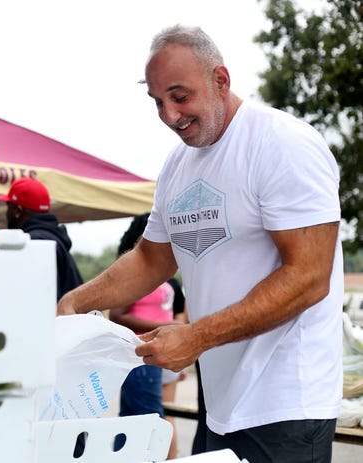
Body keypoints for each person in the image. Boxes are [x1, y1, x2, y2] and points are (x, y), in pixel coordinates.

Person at [57, 24, 343, 463]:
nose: (170, 115)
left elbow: (308, 278)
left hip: (286, 402)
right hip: (220, 401)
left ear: (221, 80)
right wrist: (76, 301)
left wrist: (197, 336)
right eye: (157, 101)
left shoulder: (282, 145)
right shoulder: (178, 164)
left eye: (179, 95)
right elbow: (152, 257)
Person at [109, 214, 185, 459]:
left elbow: (179, 310)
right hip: (142, 351)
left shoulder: (166, 274)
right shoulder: (135, 274)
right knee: (148, 420)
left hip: (163, 350)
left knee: (156, 419)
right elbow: (117, 314)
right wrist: (162, 327)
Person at [0, 177, 83, 301]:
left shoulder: (34, 243)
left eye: (9, 206)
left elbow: (42, 302)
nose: (6, 213)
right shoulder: (52, 239)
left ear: (17, 211)